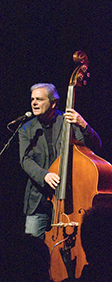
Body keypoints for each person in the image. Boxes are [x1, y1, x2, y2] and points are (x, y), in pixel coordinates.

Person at [18, 83, 102, 239]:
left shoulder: (68, 121)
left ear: (53, 103)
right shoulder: (26, 129)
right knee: (31, 251)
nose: (34, 103)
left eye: (39, 99)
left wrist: (83, 124)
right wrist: (45, 175)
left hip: (69, 199)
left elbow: (96, 146)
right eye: (32, 99)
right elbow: (25, 160)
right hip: (39, 200)